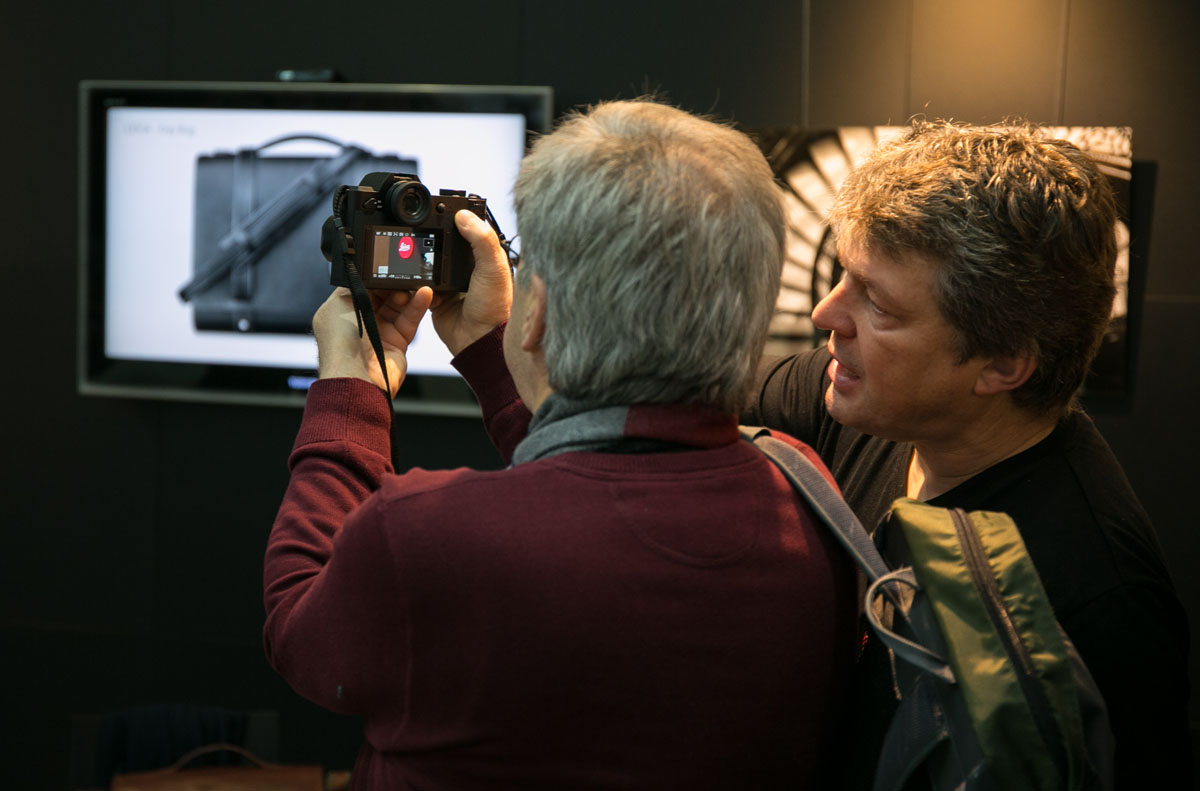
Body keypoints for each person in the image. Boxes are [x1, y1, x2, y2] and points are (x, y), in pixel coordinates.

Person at [263, 99, 858, 789]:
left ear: (538, 308)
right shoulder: (806, 493)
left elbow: (300, 628)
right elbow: (602, 486)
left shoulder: (427, 536)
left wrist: (351, 390)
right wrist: (494, 351)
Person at [744, 119, 1192, 788]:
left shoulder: (1100, 599)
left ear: (1003, 364)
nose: (827, 316)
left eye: (879, 304)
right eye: (844, 276)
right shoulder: (851, 396)